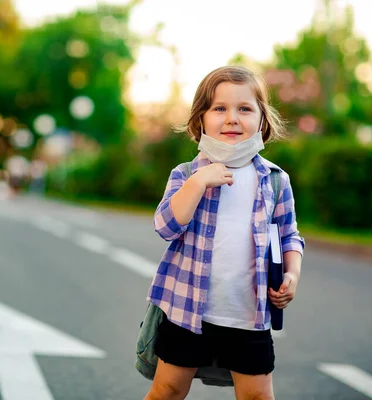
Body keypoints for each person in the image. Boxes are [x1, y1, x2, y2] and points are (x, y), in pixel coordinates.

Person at [144, 66, 305, 400]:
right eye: (220, 108)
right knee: (167, 390)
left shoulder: (274, 180)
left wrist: (292, 273)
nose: (232, 118)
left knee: (258, 396)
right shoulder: (186, 174)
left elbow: (289, 235)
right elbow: (165, 226)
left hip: (250, 314)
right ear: (200, 119)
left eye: (244, 108)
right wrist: (198, 183)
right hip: (187, 310)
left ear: (262, 120)